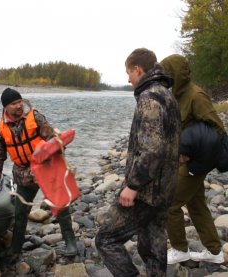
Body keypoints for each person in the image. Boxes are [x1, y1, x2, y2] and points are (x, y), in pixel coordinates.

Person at [95, 48, 181, 277]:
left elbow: (153, 149)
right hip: (166, 187)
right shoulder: (167, 94)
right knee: (153, 242)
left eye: (128, 73)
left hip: (147, 191)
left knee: (106, 240)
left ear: (138, 69)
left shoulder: (149, 98)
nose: (128, 79)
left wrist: (132, 185)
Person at [0, 87, 78, 262]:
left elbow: (50, 136)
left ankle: (71, 243)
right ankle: (16, 249)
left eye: (20, 102)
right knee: (20, 212)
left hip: (46, 166)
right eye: (14, 104)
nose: (19, 106)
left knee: (61, 206)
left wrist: (57, 141)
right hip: (23, 173)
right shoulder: (0, 129)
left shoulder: (35, 117)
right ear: (6, 107)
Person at [160, 54, 226, 264]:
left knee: (169, 203)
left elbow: (217, 128)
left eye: (167, 74)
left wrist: (192, 153)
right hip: (187, 161)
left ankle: (180, 249)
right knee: (197, 204)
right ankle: (215, 252)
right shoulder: (178, 95)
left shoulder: (196, 95)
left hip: (195, 163)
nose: (164, 79)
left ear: (176, 74)